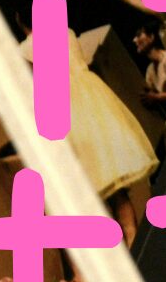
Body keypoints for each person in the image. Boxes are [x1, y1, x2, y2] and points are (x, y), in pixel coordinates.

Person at [22, 28, 157, 245]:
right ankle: (132, 237)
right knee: (113, 184)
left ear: (19, 19)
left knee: (82, 192)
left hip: (65, 112)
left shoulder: (26, 48)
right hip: (93, 104)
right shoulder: (66, 32)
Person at [132, 18, 166, 118]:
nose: (134, 40)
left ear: (151, 37)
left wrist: (159, 97)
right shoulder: (150, 70)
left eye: (139, 35)